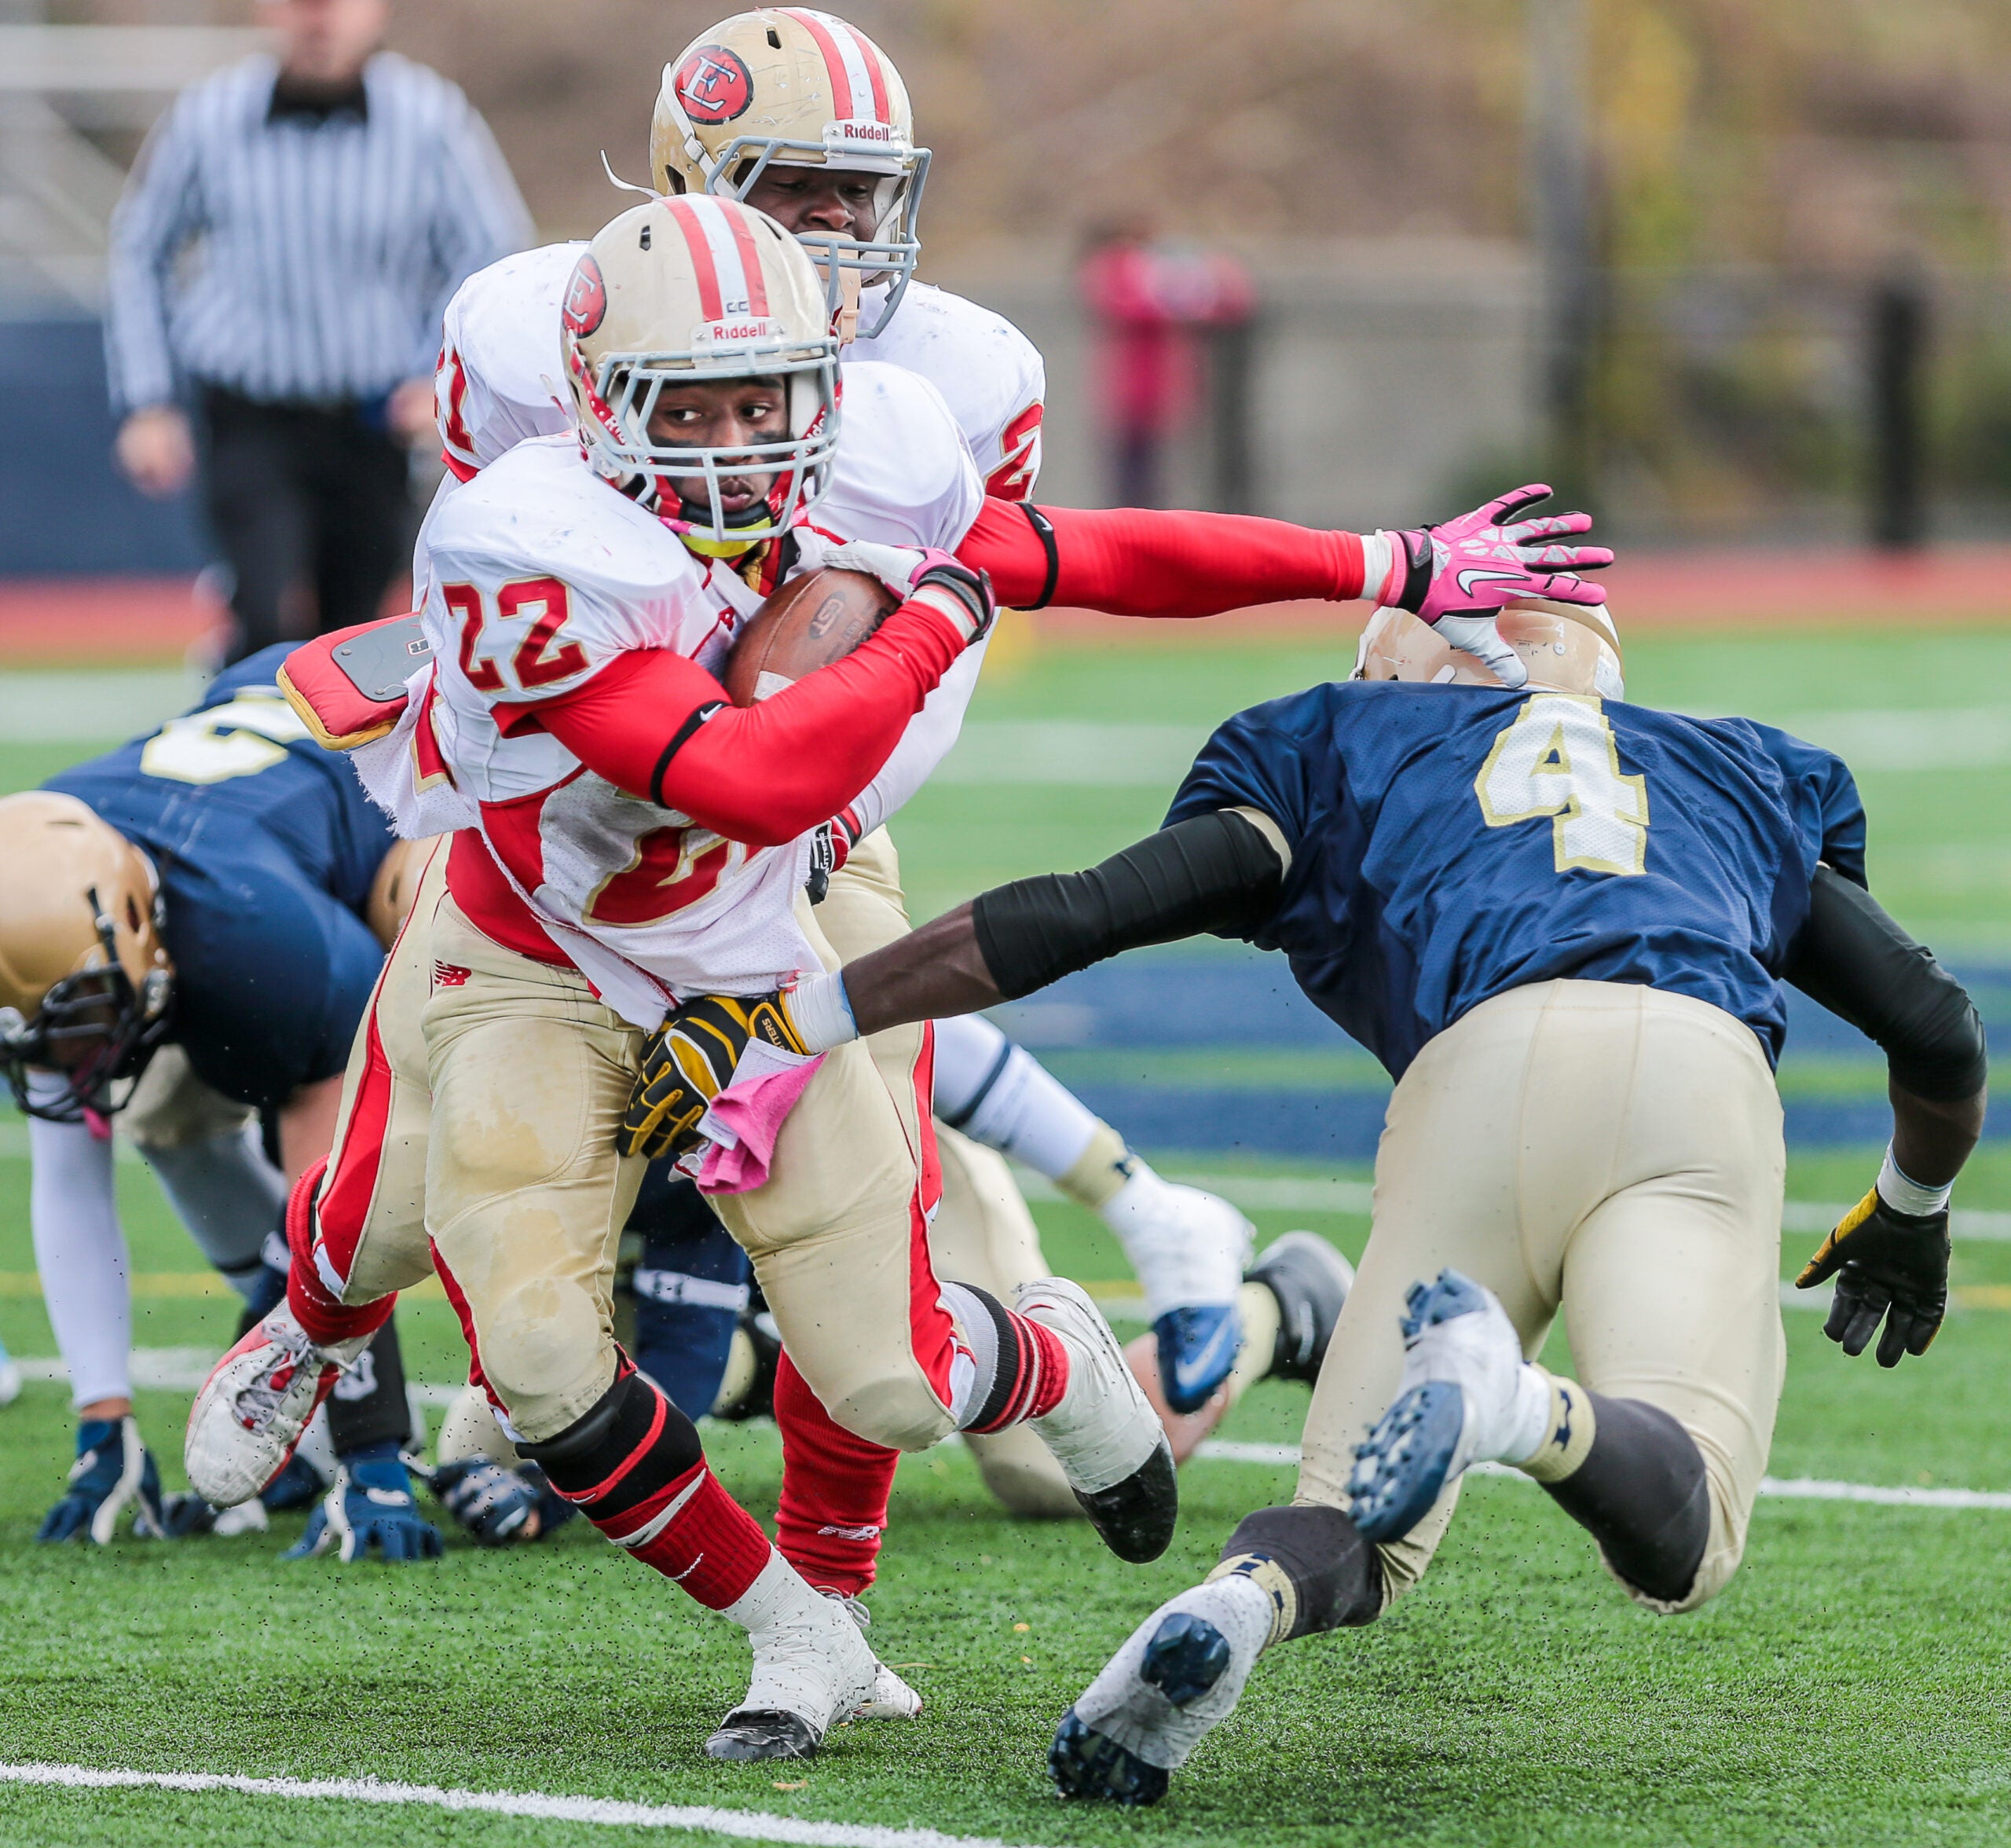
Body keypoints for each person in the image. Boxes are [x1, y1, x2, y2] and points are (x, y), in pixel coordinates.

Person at [675, 594, 1986, 1804]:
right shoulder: (1727, 765)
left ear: (1416, 663)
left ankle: (1238, 1602)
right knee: (1682, 1528)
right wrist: (1913, 1209)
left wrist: (806, 1011)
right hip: (1691, 1080)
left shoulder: (1340, 747)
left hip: (1469, 1085)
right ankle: (1521, 1408)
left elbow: (1072, 914)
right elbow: (1935, 1031)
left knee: (1360, 1521)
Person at [0, 662, 439, 1557]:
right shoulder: (44, 888)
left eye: (86, 1022)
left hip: (401, 794)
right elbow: (66, 1170)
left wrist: (372, 1454)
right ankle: (285, 1375)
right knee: (166, 1118)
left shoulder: (260, 944)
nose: (72, 1060)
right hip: (231, 846)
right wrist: (103, 1427)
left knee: (446, 970)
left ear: (137, 927)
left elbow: (338, 1193)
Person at [104, 0, 530, 662]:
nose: (318, 20)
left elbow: (490, 251)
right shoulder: (209, 115)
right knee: (270, 613)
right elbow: (140, 248)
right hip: (252, 417)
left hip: (372, 423)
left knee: (353, 635)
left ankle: (327, 764)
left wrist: (438, 373)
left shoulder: (429, 116)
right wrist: (147, 400)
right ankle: (246, 721)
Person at [1079, 221, 1254, 508]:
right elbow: (1145, 308)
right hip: (1133, 395)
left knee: (1151, 472)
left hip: (1154, 394)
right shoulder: (1120, 275)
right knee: (1133, 472)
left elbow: (1230, 303)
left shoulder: (1142, 275)